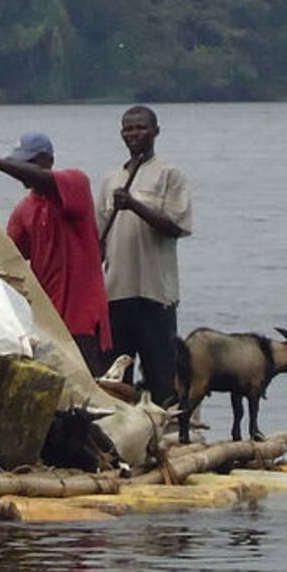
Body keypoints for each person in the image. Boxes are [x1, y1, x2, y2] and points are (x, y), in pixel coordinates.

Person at [0, 132, 110, 374]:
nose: (21, 171)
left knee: (89, 382)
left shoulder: (76, 184)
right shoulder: (24, 210)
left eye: (27, 164)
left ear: (48, 161)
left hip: (82, 315)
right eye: (18, 164)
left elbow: (42, 179)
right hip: (46, 318)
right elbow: (5, 258)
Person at [95, 106, 192, 407]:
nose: (134, 133)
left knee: (161, 378)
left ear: (155, 131)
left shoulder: (169, 175)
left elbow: (175, 227)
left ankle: (164, 429)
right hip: (116, 294)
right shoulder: (111, 180)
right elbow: (98, 240)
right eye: (128, 128)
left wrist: (134, 205)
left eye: (140, 127)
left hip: (155, 294)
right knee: (114, 381)